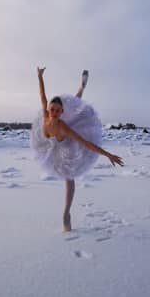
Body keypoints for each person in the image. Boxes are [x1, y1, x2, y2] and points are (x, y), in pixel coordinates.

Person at [30, 67, 124, 232]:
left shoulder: (63, 125)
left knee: (69, 176)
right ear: (48, 109)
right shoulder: (45, 116)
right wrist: (39, 77)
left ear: (61, 112)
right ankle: (81, 89)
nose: (54, 113)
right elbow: (42, 95)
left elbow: (86, 143)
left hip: (66, 146)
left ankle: (66, 212)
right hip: (50, 145)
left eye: (58, 111)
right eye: (52, 109)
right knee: (76, 109)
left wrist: (108, 155)